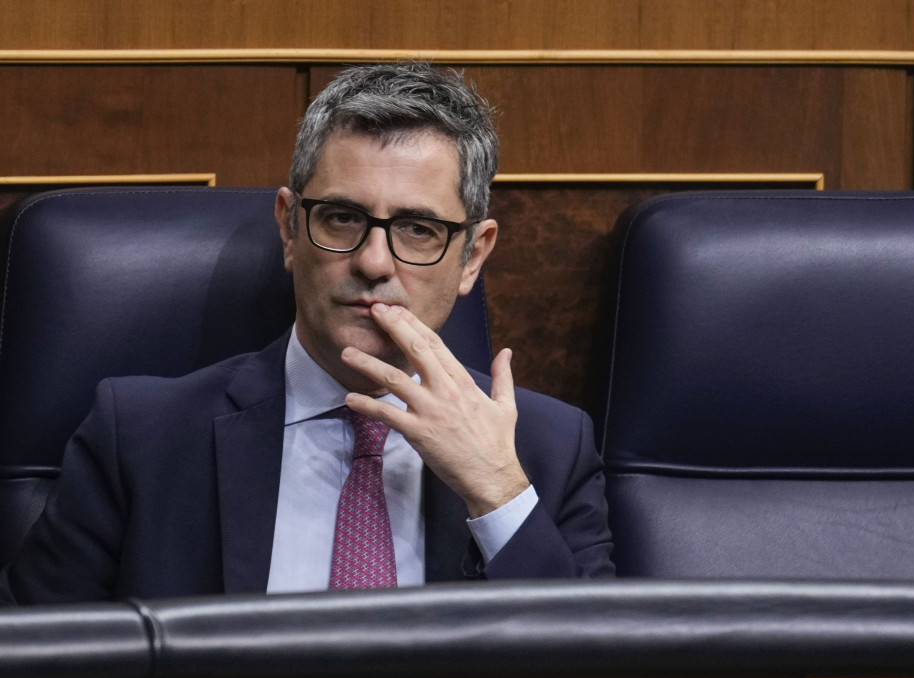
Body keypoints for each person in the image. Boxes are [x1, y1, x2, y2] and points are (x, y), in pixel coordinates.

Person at [0, 61, 613, 603]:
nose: (374, 262)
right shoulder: (140, 439)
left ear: (473, 258)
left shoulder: (546, 451)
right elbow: (33, 676)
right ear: (290, 229)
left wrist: (497, 490)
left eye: (419, 229)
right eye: (343, 218)